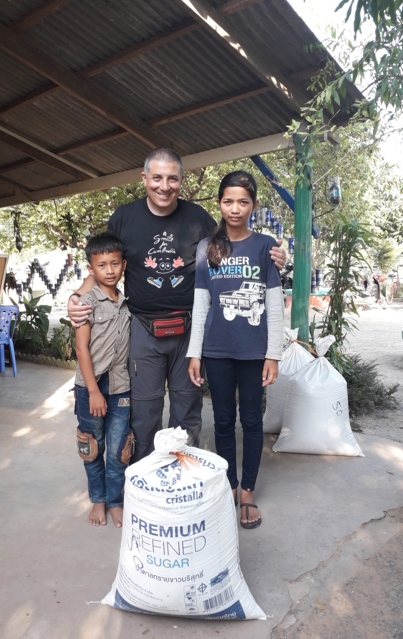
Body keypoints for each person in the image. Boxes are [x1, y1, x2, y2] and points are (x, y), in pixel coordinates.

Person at [68, 148, 286, 462]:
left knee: (187, 409)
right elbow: (103, 267)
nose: (164, 186)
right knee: (144, 409)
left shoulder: (198, 218)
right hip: (142, 328)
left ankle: (182, 475)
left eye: (172, 179)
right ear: (144, 178)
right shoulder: (124, 218)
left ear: (181, 181)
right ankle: (147, 475)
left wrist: (274, 255)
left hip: (188, 330)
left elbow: (237, 247)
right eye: (157, 178)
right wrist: (76, 297)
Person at [187, 171, 284, 530]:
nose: (235, 208)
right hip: (216, 351)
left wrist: (273, 354)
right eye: (228, 201)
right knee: (223, 420)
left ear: (254, 205)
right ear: (219, 203)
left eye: (243, 201)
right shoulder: (207, 248)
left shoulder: (265, 246)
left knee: (252, 421)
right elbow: (201, 303)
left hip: (254, 353)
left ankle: (247, 491)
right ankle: (229, 486)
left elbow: (274, 304)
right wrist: (195, 353)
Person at [74, 232, 131, 528]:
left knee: (120, 449)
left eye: (114, 263)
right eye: (101, 265)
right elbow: (81, 349)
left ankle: (115, 501)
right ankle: (98, 500)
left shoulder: (127, 301)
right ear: (91, 269)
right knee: (92, 447)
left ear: (123, 265)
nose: (109, 270)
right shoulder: (86, 303)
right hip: (91, 387)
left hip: (121, 386)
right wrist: (94, 391)